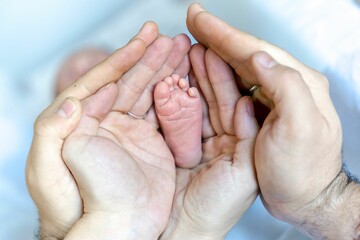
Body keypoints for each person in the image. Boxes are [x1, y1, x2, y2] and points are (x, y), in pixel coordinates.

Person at [25, 3, 360, 240]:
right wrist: (326, 198)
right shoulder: (79, 142)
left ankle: (183, 139)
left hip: (152, 128)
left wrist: (103, 225)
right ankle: (182, 144)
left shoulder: (153, 82)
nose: (81, 70)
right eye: (70, 78)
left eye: (93, 61)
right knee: (176, 114)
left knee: (182, 101)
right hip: (134, 147)